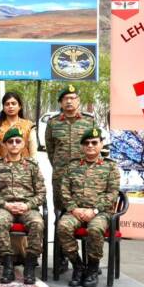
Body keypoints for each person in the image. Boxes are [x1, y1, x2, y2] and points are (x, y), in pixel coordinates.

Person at [58, 128, 120, 287]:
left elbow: (112, 193)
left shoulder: (110, 167)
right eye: (86, 143)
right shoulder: (72, 166)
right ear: (82, 146)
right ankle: (78, 266)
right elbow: (64, 191)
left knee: (95, 229)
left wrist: (95, 210)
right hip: (76, 211)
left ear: (101, 144)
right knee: (63, 227)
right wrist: (73, 209)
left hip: (100, 212)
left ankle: (92, 268)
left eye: (94, 142)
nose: (90, 146)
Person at [45, 84, 96, 273]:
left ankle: (90, 260)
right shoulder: (53, 123)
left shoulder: (89, 122)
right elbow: (50, 149)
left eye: (73, 98)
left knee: (86, 216)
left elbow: (94, 147)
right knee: (60, 215)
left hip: (85, 178)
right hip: (60, 177)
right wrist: (60, 168)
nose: (69, 101)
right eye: (65, 98)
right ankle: (61, 258)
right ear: (60, 102)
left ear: (78, 101)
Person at [0, 127, 46, 284]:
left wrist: (27, 205)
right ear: (5, 144)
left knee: (37, 223)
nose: (14, 144)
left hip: (27, 208)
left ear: (23, 144)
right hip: (4, 208)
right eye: (10, 141)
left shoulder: (32, 166)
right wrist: (5, 204)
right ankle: (7, 266)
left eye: (18, 141)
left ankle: (30, 266)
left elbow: (41, 193)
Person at [0, 92, 37, 170]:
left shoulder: (28, 126)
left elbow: (33, 153)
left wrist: (33, 170)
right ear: (3, 107)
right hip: (1, 170)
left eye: (13, 103)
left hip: (24, 171)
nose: (10, 106)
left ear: (20, 106)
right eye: (7, 104)